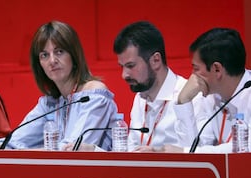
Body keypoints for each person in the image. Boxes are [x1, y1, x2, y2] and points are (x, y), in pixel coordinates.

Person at [0, 20, 118, 150]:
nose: (52, 61)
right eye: (44, 55)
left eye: (59, 52)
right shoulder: (50, 103)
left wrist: (10, 149)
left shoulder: (94, 95)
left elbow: (73, 149)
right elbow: (16, 140)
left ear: (74, 55)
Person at [159, 28, 251, 153]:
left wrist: (186, 152)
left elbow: (247, 151)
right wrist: (184, 101)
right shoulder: (211, 96)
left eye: (196, 68)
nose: (192, 76)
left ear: (217, 69)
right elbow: (194, 155)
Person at [65, 20, 187, 152]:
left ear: (156, 60)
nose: (124, 75)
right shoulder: (140, 98)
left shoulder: (188, 96)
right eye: (122, 67)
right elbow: (129, 155)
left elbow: (196, 153)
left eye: (130, 66)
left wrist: (159, 154)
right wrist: (94, 150)